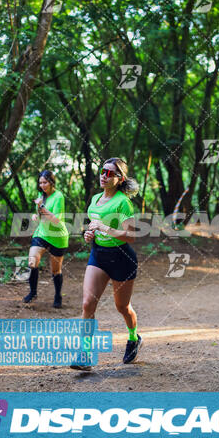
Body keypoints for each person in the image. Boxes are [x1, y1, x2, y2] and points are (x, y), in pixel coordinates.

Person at [70, 157, 142, 371]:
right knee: (87, 304)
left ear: (120, 179)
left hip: (122, 258)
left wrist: (104, 228)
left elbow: (131, 236)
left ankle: (133, 338)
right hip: (99, 256)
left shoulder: (123, 203)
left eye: (110, 173)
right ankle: (84, 354)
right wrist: (89, 234)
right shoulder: (94, 199)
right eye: (103, 171)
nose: (104, 175)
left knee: (122, 307)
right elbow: (92, 228)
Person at [23, 170, 68, 308]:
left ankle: (57, 295)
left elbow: (55, 220)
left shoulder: (59, 196)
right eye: (40, 182)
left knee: (55, 270)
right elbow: (38, 213)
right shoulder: (41, 195)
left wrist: (41, 207)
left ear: (51, 182)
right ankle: (33, 292)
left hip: (57, 236)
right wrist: (35, 215)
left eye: (45, 182)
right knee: (32, 261)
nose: (42, 185)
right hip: (42, 233)